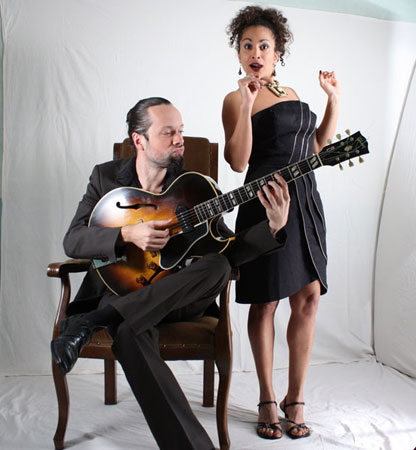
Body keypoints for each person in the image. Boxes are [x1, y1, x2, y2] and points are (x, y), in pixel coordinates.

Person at [50, 96, 290, 450]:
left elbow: (229, 250)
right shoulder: (106, 177)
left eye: (181, 131)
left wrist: (272, 227)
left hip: (177, 299)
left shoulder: (194, 186)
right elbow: (73, 240)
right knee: (129, 332)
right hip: (122, 293)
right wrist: (126, 234)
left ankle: (92, 321)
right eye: (168, 133)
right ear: (139, 140)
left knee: (218, 265)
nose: (180, 140)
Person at [222, 6, 341, 441]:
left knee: (308, 298)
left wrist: (333, 100)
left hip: (305, 201)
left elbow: (317, 148)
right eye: (247, 46)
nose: (255, 53)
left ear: (278, 53)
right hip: (265, 202)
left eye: (264, 46)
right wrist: (247, 102)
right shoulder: (234, 99)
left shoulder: (292, 91)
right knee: (266, 302)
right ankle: (268, 399)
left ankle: (296, 398)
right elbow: (238, 162)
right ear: (239, 53)